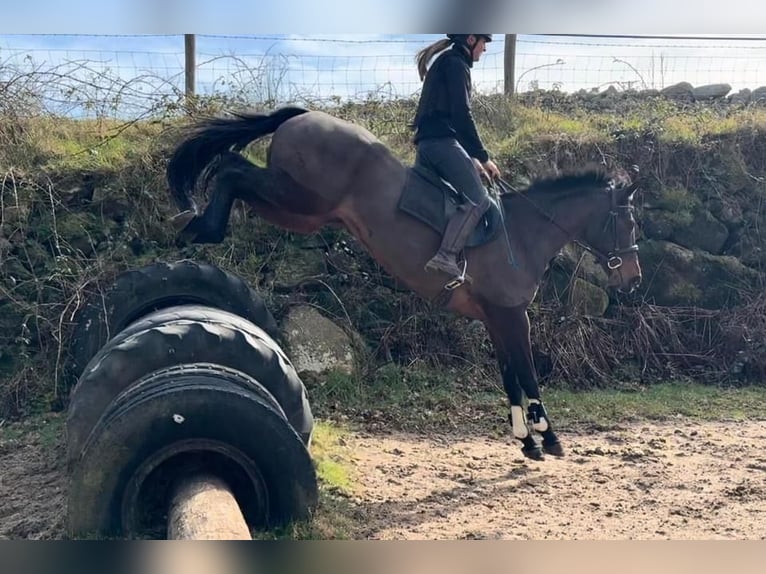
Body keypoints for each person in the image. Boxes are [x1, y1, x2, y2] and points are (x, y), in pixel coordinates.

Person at [411, 34, 501, 283]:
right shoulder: (456, 65)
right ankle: (445, 256)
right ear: (471, 39)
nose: (484, 49)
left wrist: (470, 158)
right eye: (484, 42)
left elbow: (448, 116)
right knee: (478, 201)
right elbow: (462, 116)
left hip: (428, 145)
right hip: (442, 144)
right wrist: (483, 157)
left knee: (445, 203)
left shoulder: (446, 61)